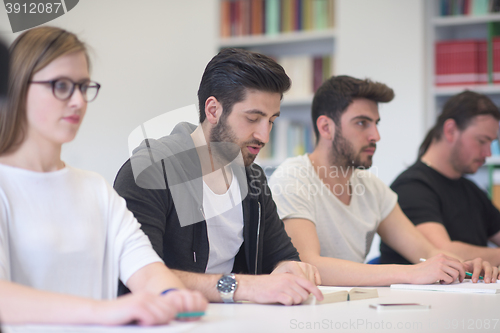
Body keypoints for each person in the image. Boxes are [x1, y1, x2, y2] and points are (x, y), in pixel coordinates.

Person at [0, 26, 206, 326]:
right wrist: (105, 311)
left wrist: (172, 294)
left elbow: (145, 267)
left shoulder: (94, 187)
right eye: (60, 85)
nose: (78, 101)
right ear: (16, 87)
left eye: (83, 87)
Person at [114, 48, 323, 305]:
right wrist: (243, 286)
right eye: (253, 118)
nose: (264, 136)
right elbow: (138, 276)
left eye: (271, 121)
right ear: (213, 110)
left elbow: (283, 256)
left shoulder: (253, 179)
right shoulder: (151, 170)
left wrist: (290, 269)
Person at [268, 75, 498, 286]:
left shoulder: (372, 187)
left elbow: (427, 251)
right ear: (326, 127)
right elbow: (308, 265)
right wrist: (412, 273)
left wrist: (466, 266)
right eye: (362, 123)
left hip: (347, 307)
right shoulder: (293, 178)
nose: (375, 136)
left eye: (376, 123)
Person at [380, 91, 500, 268]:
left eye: (492, 143)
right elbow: (442, 253)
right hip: (423, 295)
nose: (488, 153)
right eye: (482, 141)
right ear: (450, 130)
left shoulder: (471, 190)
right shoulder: (411, 188)